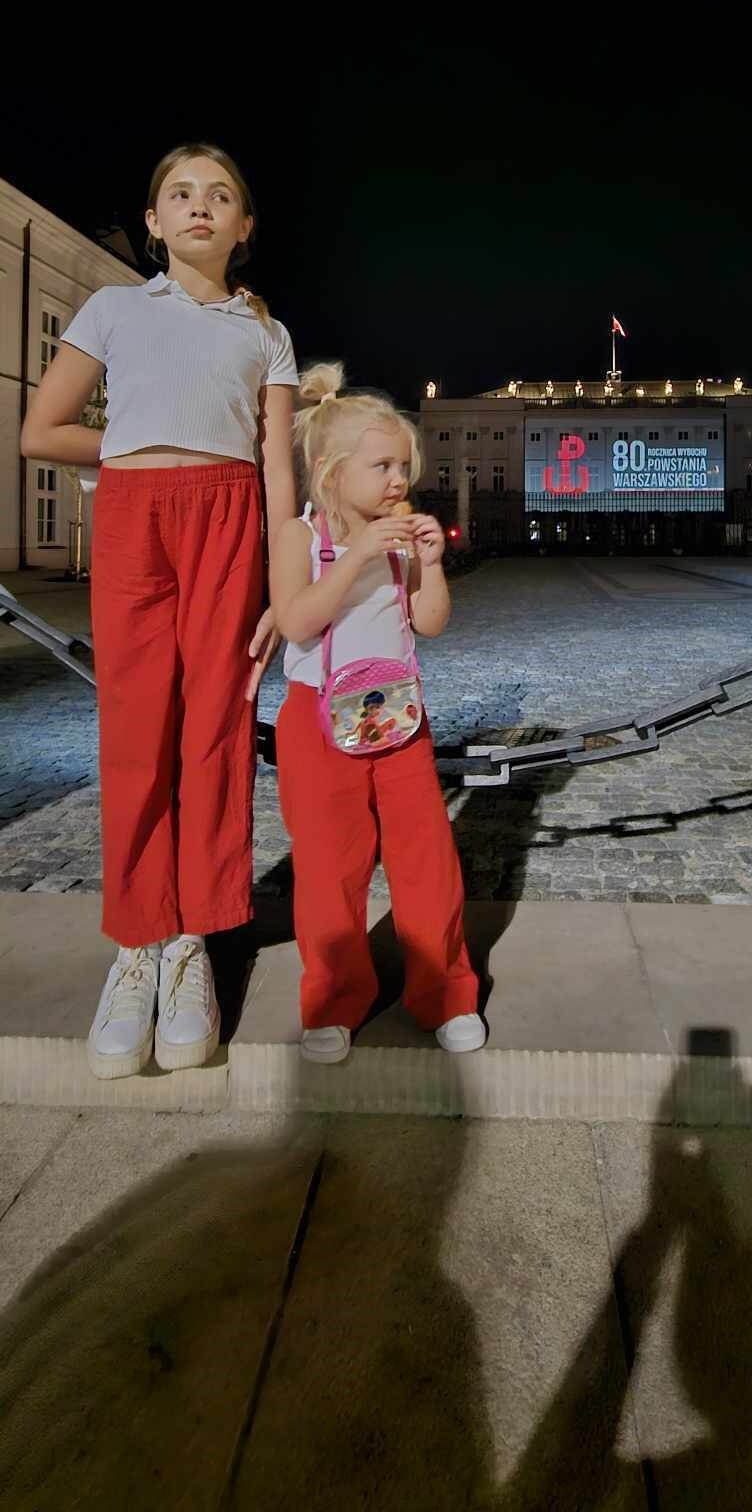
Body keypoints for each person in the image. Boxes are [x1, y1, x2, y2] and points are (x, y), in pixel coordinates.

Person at [21, 142, 298, 1077]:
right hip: (136, 518)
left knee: (215, 730)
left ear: (244, 226)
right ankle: (138, 941)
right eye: (179, 194)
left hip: (230, 519)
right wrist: (129, 445)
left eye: (219, 195)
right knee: (136, 729)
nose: (198, 206)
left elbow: (278, 468)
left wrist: (283, 585)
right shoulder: (113, 308)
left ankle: (193, 944)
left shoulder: (265, 332)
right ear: (153, 221)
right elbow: (39, 432)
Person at [270, 362, 485, 1062]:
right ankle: (333, 1001)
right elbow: (296, 620)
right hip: (316, 721)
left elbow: (430, 623)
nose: (399, 480)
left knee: (426, 858)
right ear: (331, 473)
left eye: (402, 466)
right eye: (382, 466)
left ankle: (445, 992)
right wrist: (355, 554)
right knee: (331, 867)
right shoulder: (300, 539)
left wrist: (431, 564)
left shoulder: (399, 538)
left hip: (398, 716)